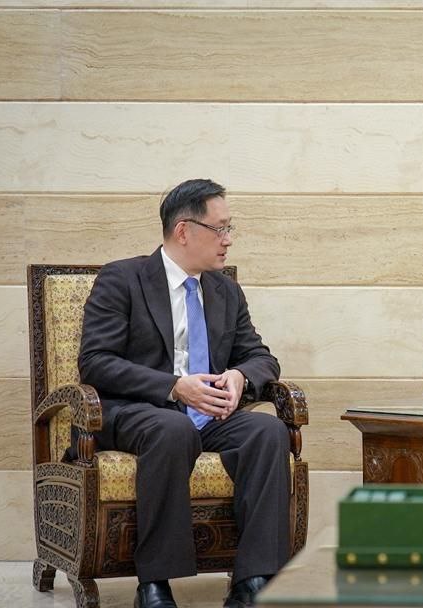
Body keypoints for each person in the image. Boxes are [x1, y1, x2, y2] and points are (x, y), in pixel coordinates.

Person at [79, 179, 290, 608]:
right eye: (220, 228)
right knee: (172, 428)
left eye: (230, 228)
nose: (228, 239)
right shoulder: (123, 278)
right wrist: (174, 386)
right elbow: (96, 362)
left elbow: (260, 357)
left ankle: (254, 580)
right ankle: (154, 584)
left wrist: (240, 376)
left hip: (209, 416)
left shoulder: (225, 290)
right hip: (139, 411)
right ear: (183, 231)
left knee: (268, 432)